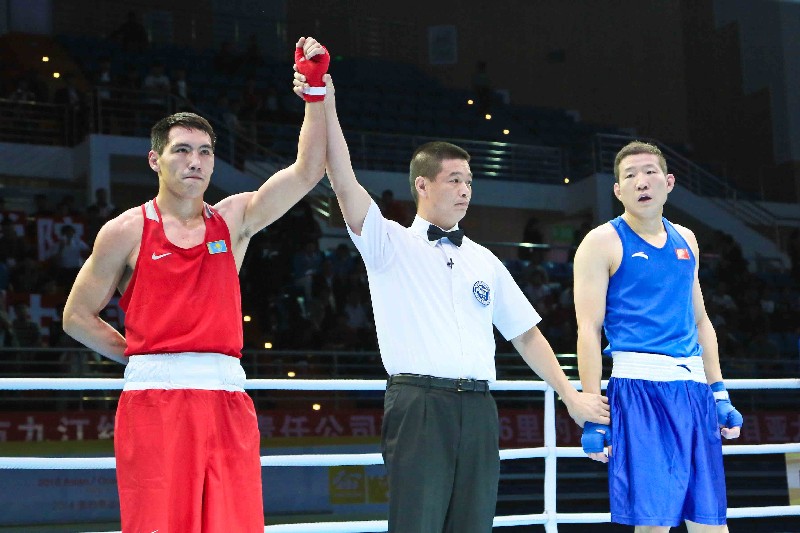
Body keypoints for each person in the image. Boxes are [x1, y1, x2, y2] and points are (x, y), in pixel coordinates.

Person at [293, 46, 610, 532]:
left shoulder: (485, 259)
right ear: (422, 185)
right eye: (454, 179)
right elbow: (343, 179)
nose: (465, 190)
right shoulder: (388, 243)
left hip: (480, 407)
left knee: (473, 525)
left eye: (469, 181)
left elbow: (526, 334)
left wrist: (568, 395)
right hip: (418, 404)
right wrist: (324, 101)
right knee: (417, 525)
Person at [62, 37, 329, 532]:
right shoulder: (125, 231)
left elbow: (308, 172)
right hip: (154, 403)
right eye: (182, 150)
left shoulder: (234, 219)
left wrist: (315, 94)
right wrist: (141, 355)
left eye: (205, 151)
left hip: (226, 399)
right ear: (154, 160)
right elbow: (76, 317)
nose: (196, 161)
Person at [573, 141, 743, 531]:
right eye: (630, 175)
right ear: (618, 190)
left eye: (650, 172)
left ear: (669, 183)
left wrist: (718, 392)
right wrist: (593, 414)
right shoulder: (601, 242)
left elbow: (701, 320)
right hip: (639, 389)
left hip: (693, 389)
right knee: (654, 523)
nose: (641, 182)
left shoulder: (687, 239)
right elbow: (588, 330)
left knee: (710, 522)